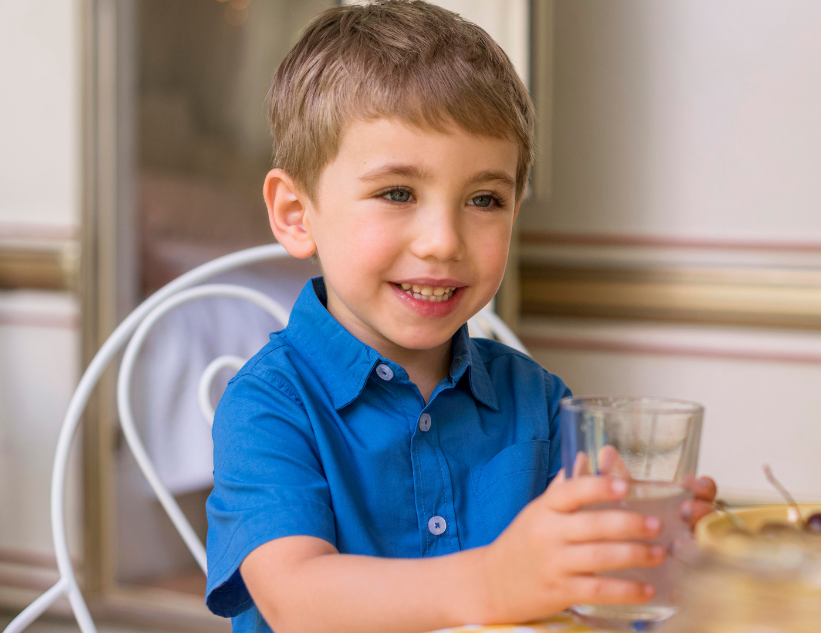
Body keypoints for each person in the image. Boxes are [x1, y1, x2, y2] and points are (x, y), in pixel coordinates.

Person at [204, 3, 716, 632]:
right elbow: (298, 601)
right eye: (398, 193)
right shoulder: (269, 406)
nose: (443, 241)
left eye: (484, 199)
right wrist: (499, 580)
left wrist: (641, 547)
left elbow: (593, 596)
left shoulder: (539, 401)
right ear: (294, 212)